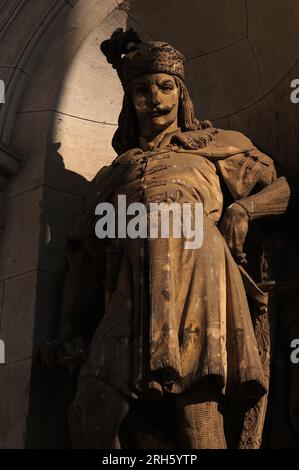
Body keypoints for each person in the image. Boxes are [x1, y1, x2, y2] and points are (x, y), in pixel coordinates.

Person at [43, 29, 292, 449]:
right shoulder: (114, 172)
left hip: (201, 276)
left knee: (199, 419)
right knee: (91, 412)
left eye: (164, 87)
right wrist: (68, 330)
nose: (154, 98)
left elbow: (283, 188)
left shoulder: (214, 146)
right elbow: (86, 253)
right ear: (129, 101)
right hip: (132, 286)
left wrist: (244, 209)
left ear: (181, 94)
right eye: (141, 90)